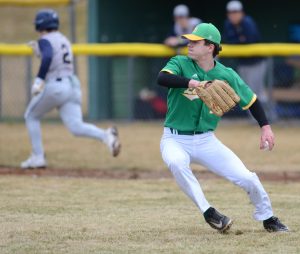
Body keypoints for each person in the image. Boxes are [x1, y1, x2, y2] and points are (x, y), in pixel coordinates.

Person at [157, 22, 288, 233]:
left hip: (206, 140)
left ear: (210, 47)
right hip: (175, 139)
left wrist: (265, 127)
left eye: (195, 41)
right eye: (188, 41)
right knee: (177, 162)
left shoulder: (227, 74)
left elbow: (251, 101)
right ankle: (209, 212)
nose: (189, 44)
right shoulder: (180, 62)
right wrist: (194, 84)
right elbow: (162, 78)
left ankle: (269, 218)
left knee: (246, 177)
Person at [21, 9, 121, 169]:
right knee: (76, 127)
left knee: (30, 116)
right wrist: (41, 52)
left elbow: (47, 57)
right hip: (72, 85)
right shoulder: (64, 39)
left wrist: (39, 80)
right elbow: (54, 56)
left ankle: (38, 157)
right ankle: (106, 136)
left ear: (40, 24)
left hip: (56, 85)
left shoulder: (45, 39)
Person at [223, 1, 269, 113]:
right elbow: (227, 40)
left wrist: (238, 41)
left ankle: (269, 116)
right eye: (230, 12)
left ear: (241, 13)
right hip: (243, 63)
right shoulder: (228, 24)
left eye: (236, 12)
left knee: (257, 92)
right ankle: (255, 119)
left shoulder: (248, 22)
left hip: (256, 63)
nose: (233, 15)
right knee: (246, 93)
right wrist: (239, 40)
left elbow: (249, 40)